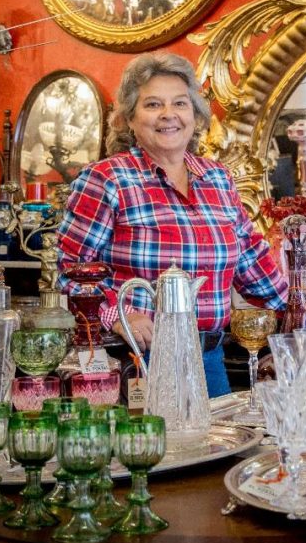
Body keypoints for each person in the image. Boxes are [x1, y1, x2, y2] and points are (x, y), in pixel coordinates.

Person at [57, 52, 288, 397]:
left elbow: (251, 260)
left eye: (180, 103)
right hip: (138, 361)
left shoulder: (217, 178)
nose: (168, 115)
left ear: (195, 115)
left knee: (220, 449)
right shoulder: (107, 179)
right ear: (129, 119)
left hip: (210, 358)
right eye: (152, 105)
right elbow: (70, 271)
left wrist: (298, 314)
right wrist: (117, 317)